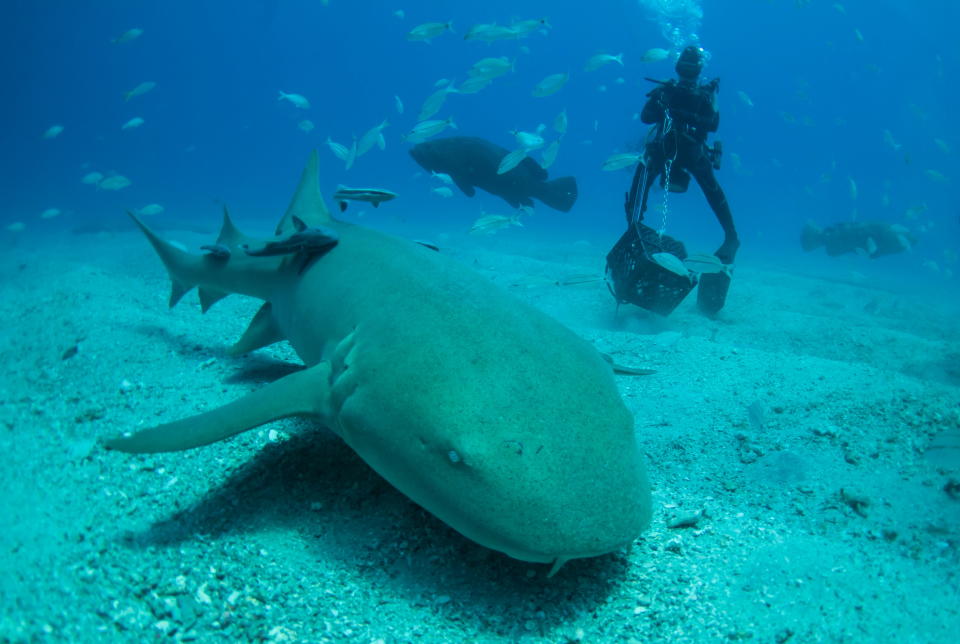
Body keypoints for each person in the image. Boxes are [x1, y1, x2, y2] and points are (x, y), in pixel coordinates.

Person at [609, 45, 738, 316]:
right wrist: (662, 99)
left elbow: (711, 124)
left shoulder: (705, 95)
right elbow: (647, 117)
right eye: (685, 70)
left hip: (689, 149)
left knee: (650, 188)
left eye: (692, 71)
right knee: (647, 186)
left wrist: (680, 111)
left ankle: (730, 238)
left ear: (699, 72)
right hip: (667, 147)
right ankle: (730, 235)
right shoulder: (666, 90)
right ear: (679, 70)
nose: (688, 76)